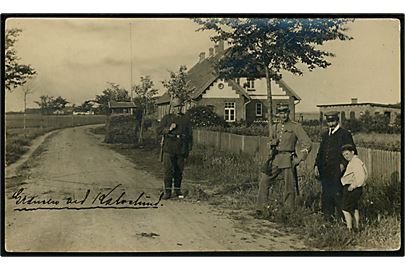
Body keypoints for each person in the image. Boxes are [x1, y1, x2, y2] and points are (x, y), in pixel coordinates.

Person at [256, 104, 312, 216]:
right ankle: (261, 208)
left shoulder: (295, 127)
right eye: (281, 113)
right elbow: (270, 140)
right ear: (278, 114)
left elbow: (307, 143)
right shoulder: (275, 127)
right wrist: (271, 144)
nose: (283, 115)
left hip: (288, 159)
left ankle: (288, 211)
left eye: (285, 112)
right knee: (264, 180)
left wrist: (299, 159)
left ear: (288, 113)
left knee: (289, 186)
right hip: (275, 158)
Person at [314, 111, 357, 222]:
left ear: (337, 120)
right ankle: (328, 219)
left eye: (333, 121)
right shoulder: (325, 135)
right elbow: (320, 152)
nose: (331, 123)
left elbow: (352, 152)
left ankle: (341, 220)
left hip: (338, 171)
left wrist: (343, 164)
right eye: (328, 121)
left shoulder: (344, 134)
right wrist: (316, 166)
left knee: (338, 195)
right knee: (326, 195)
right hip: (325, 171)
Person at [156, 96, 193, 200]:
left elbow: (190, 135)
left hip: (181, 148)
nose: (178, 109)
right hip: (169, 147)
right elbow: (158, 130)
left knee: (179, 171)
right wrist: (169, 129)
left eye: (180, 106)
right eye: (176, 107)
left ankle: (177, 190)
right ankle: (167, 192)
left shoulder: (186, 119)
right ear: (172, 107)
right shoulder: (167, 118)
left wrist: (188, 149)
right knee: (168, 171)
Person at [340, 144, 367, 232]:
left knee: (345, 208)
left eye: (347, 154)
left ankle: (349, 229)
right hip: (355, 188)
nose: (346, 156)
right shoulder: (354, 161)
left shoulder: (355, 162)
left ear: (352, 152)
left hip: (352, 188)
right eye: (344, 155)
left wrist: (353, 185)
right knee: (354, 207)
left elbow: (361, 176)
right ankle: (357, 227)